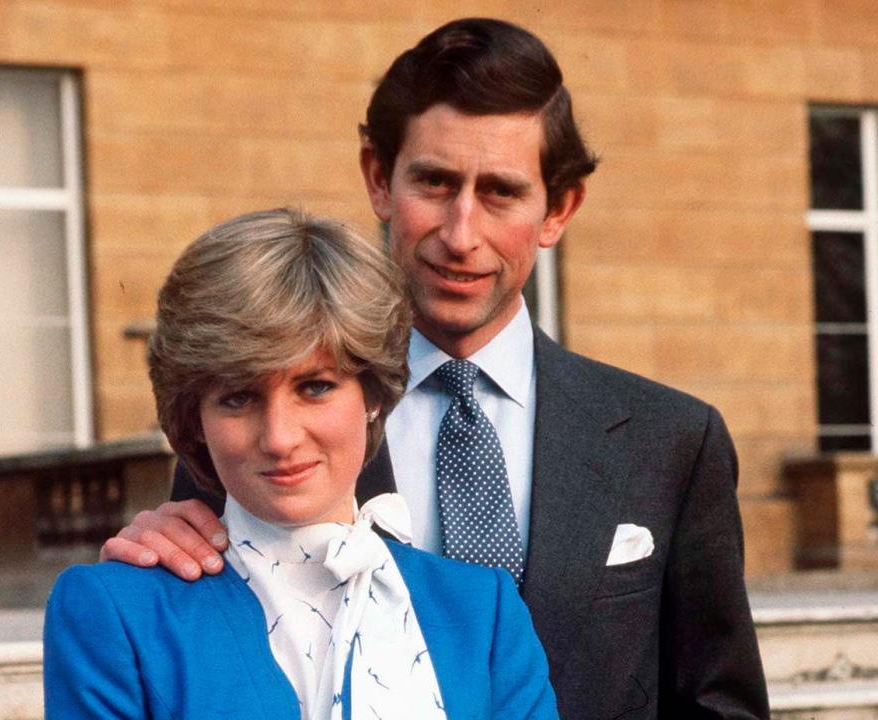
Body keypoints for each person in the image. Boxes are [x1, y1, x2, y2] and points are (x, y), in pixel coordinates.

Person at [101, 18, 770, 720]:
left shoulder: (672, 441)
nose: (460, 235)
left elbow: (720, 708)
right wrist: (167, 547)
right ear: (378, 178)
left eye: (501, 193)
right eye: (435, 182)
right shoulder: (271, 421)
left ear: (559, 207)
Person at [44, 208, 558, 719]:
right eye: (238, 398)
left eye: (315, 388)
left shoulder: (481, 612)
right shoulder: (116, 611)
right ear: (195, 417)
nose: (280, 437)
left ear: (373, 393)